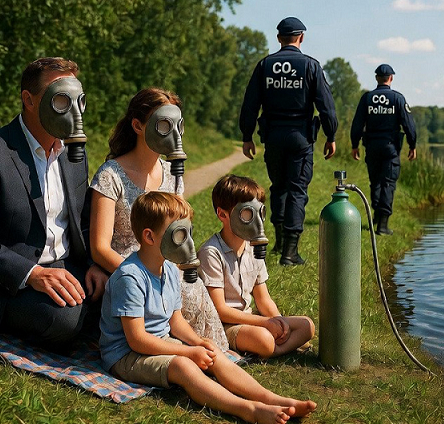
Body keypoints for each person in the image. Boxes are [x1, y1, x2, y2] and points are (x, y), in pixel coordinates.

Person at [100, 191, 316, 424]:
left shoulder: (170, 269)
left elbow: (176, 321)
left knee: (212, 350)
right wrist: (188, 352)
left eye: (188, 233)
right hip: (125, 356)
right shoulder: (130, 277)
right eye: (179, 234)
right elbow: (137, 339)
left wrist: (197, 342)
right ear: (150, 237)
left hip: (159, 341)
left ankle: (272, 398)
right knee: (183, 366)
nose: (189, 243)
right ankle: (247, 409)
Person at [0, 57, 108, 349]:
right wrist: (32, 274)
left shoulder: (74, 154)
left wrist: (93, 265)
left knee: (123, 297)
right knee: (65, 319)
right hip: (3, 281)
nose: (72, 110)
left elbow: (80, 221)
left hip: (63, 266)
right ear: (29, 100)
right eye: (61, 99)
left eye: (78, 100)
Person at [89, 87, 229, 351]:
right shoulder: (111, 175)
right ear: (138, 126)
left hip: (168, 271)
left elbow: (181, 233)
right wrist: (147, 278)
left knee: (194, 286)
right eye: (164, 124)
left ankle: (213, 354)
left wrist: (174, 274)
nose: (174, 133)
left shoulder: (172, 174)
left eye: (178, 125)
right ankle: (199, 357)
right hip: (131, 273)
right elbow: (99, 248)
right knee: (187, 293)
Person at [239, 16, 338, 265]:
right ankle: (290, 252)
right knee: (297, 190)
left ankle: (280, 243)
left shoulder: (265, 65)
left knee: (278, 187)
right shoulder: (310, 66)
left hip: (272, 137)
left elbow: (250, 104)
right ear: (301, 37)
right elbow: (326, 106)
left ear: (278, 38)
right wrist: (331, 135)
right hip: (300, 138)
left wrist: (247, 136)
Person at [198, 175, 315, 358]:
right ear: (223, 215)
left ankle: (275, 347)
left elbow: (263, 299)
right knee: (264, 339)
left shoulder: (253, 248)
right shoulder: (211, 252)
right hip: (226, 325)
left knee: (307, 325)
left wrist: (279, 323)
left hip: (251, 319)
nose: (256, 221)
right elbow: (220, 310)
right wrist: (265, 323)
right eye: (247, 213)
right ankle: (274, 349)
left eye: (259, 212)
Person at [350, 63, 417, 235]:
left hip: (372, 147)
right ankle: (383, 225)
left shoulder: (367, 98)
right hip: (390, 148)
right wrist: (412, 145)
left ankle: (377, 218)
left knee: (376, 182)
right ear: (391, 78)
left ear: (376, 78)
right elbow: (408, 124)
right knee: (388, 183)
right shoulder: (397, 98)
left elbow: (357, 123)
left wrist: (354, 145)